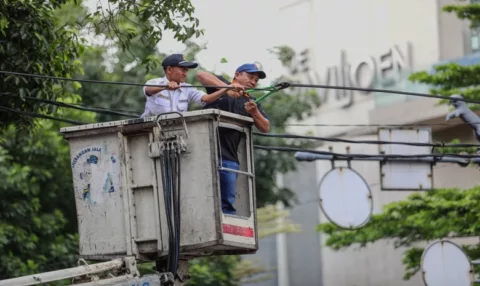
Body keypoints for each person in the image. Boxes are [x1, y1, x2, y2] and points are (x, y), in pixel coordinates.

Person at [196, 63, 270, 215]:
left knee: (227, 203)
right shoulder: (221, 86)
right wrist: (228, 89)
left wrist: (255, 112)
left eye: (256, 80)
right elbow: (201, 75)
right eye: (250, 77)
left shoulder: (251, 101)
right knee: (199, 198)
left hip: (229, 158)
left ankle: (226, 234)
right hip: (202, 154)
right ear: (237, 74)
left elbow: (265, 127)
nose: (253, 82)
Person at [141, 54, 243, 118]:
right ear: (169, 70)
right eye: (182, 69)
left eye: (186, 70)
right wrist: (164, 87)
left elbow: (206, 99)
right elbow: (148, 90)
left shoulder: (187, 88)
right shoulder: (155, 82)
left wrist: (226, 89)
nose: (185, 73)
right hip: (150, 129)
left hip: (176, 131)